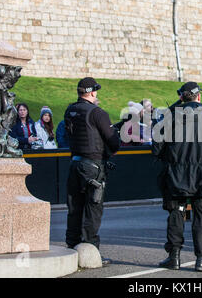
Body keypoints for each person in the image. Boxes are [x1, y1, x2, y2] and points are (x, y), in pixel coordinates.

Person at [152, 81, 202, 272]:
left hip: (176, 174)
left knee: (176, 214)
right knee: (201, 215)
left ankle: (174, 257)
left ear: (181, 97)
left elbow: (157, 149)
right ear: (199, 97)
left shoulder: (169, 119)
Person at [64, 77, 120, 265]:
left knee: (74, 208)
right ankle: (90, 250)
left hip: (75, 164)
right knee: (92, 209)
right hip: (93, 166)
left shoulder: (70, 110)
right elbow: (114, 142)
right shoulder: (98, 113)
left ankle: (72, 247)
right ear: (93, 92)